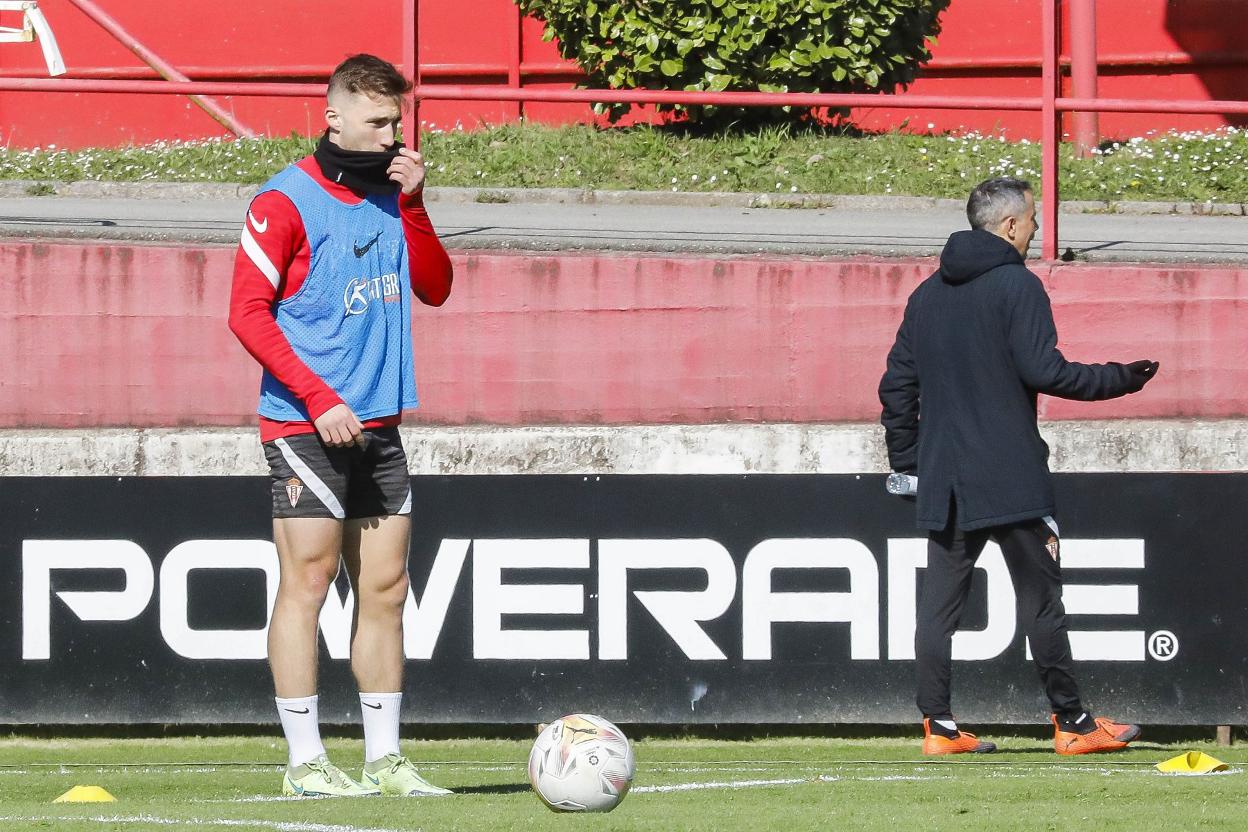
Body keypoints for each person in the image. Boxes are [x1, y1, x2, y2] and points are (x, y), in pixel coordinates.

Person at [228, 54, 453, 796]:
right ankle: (304, 764)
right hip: (305, 423)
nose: (393, 135)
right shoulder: (282, 201)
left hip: (381, 423)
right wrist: (318, 398)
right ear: (334, 118)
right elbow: (246, 313)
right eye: (378, 121)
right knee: (309, 581)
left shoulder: (393, 195)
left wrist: (416, 205)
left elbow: (435, 288)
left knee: (386, 589)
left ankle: (385, 760)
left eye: (397, 121)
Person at [878, 177, 1159, 756]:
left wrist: (908, 464)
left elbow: (897, 386)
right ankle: (1073, 724)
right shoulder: (1018, 284)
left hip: (945, 480)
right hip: (1010, 476)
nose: (1035, 228)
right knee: (1040, 602)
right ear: (1010, 226)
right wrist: (1120, 379)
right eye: (1032, 219)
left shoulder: (926, 294)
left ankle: (938, 728)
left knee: (938, 608)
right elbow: (1046, 371)